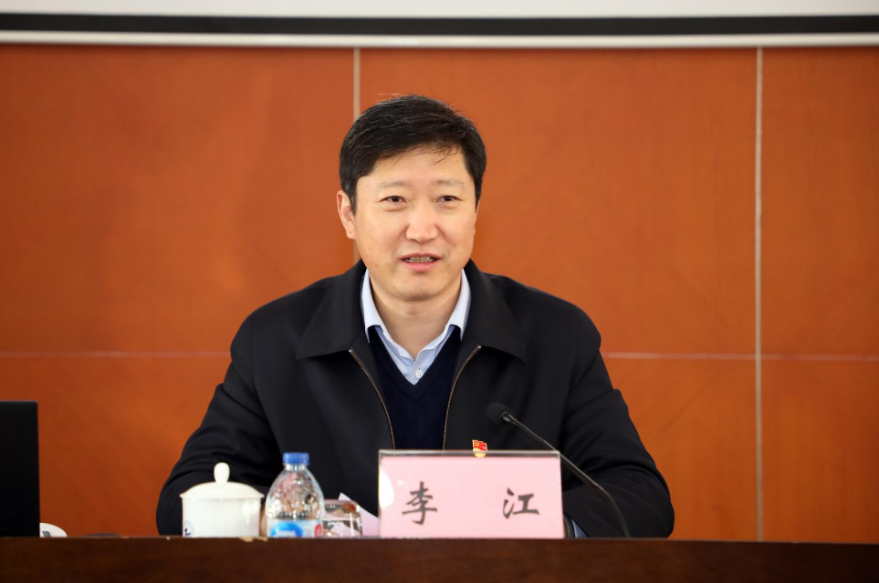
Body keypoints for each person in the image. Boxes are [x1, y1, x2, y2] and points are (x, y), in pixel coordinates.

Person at [157, 95, 674, 537]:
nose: (422, 229)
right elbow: (188, 495)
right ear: (348, 214)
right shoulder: (275, 340)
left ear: (476, 211)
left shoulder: (556, 336)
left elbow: (638, 496)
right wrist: (311, 523)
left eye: (447, 198)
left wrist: (517, 526)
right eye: (395, 200)